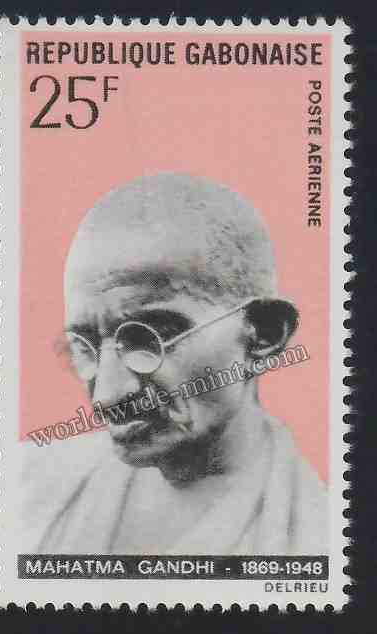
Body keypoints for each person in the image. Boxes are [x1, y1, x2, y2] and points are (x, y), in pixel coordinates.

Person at [21, 173, 327, 555]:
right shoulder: (25, 487)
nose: (107, 397)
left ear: (263, 334)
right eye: (86, 345)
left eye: (151, 337)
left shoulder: (323, 539)